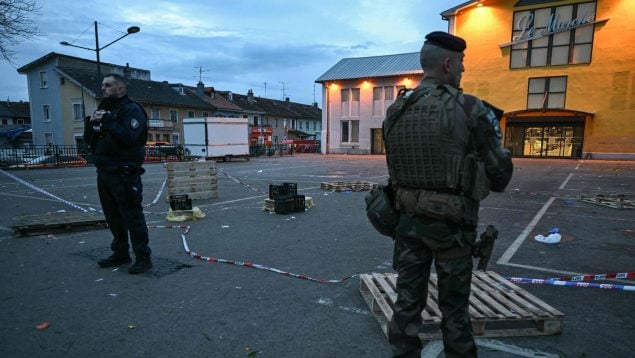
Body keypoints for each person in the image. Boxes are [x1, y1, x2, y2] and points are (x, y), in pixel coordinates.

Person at [383, 32, 513, 357]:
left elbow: (395, 169)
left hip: (408, 224)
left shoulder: (396, 109)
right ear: (448, 63)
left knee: (406, 304)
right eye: (461, 64)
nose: (463, 71)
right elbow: (499, 176)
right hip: (452, 230)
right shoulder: (470, 108)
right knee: (454, 310)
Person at [84, 73, 152, 274]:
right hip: (104, 170)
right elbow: (90, 140)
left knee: (132, 216)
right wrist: (93, 123)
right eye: (102, 85)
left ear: (120, 89)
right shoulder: (105, 109)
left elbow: (128, 137)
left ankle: (143, 257)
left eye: (107, 85)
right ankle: (120, 252)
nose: (103, 88)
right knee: (113, 216)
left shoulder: (132, 110)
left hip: (124, 171)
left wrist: (109, 120)